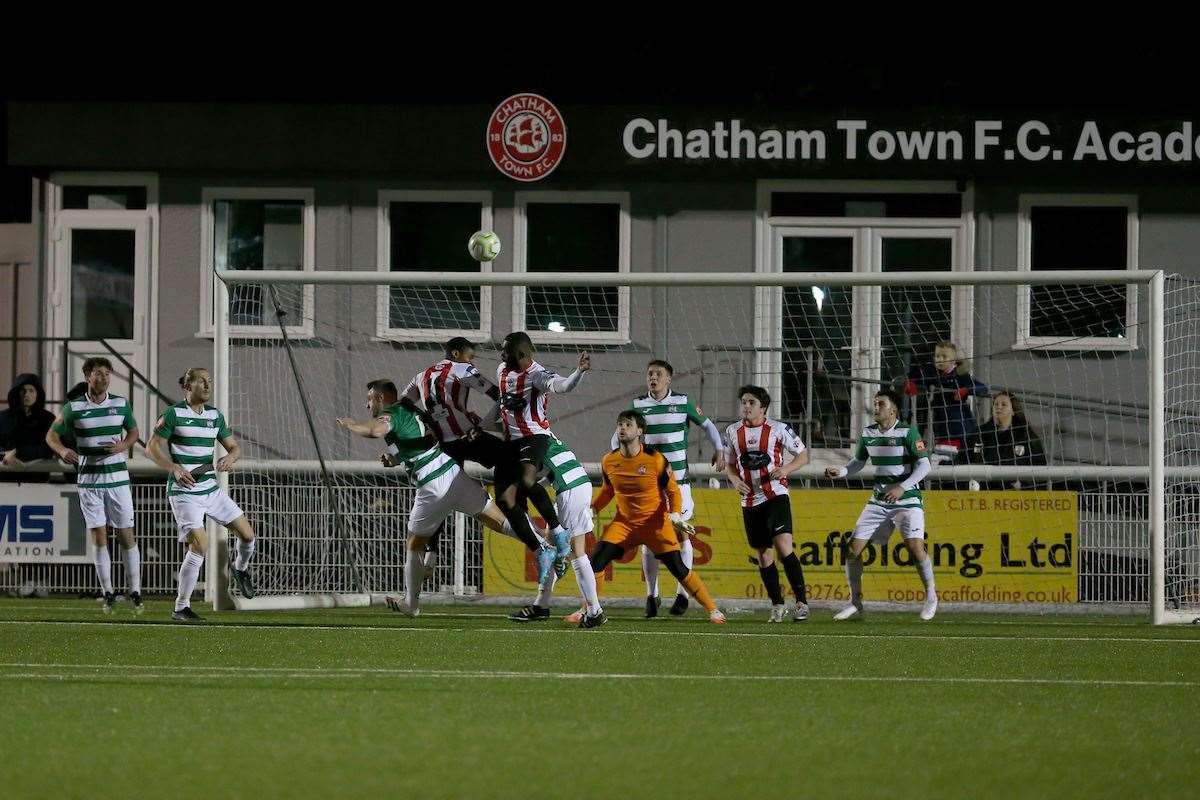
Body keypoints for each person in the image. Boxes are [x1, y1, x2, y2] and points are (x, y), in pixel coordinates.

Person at [337, 379, 522, 616]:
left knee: (414, 544)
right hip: (452, 471)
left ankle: (411, 604)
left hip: (432, 485)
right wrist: (396, 458)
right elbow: (423, 442)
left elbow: (375, 430)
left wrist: (351, 425)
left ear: (381, 398)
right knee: (498, 520)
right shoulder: (412, 411)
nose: (367, 405)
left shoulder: (391, 413)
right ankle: (545, 543)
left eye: (370, 399)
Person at [588, 410, 726, 628]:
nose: (622, 428)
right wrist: (592, 508)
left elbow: (673, 491)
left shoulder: (655, 460)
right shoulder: (608, 460)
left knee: (678, 568)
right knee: (595, 561)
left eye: (628, 424)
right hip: (624, 525)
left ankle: (713, 609)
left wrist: (675, 514)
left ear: (640, 431)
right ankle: (589, 610)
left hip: (656, 525)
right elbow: (607, 491)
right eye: (620, 424)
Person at [613, 359, 725, 618]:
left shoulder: (683, 402)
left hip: (679, 485)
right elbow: (619, 433)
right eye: (650, 373)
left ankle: (682, 594)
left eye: (658, 374)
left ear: (668, 379)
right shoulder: (638, 405)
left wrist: (719, 449)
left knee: (682, 535)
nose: (653, 377)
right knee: (648, 541)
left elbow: (707, 425)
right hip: (648, 486)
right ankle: (652, 596)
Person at [148, 367, 258, 622]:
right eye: (202, 381)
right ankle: (181, 607)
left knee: (248, 535)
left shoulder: (214, 416)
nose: (208, 385)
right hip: (185, 492)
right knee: (200, 546)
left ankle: (240, 570)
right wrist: (173, 467)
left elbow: (234, 447)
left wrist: (231, 457)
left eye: (210, 381)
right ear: (187, 386)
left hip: (211, 489)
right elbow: (151, 448)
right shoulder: (173, 414)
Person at [824, 389, 938, 621]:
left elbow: (925, 466)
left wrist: (902, 487)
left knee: (916, 548)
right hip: (878, 501)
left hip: (908, 500)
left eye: (881, 404)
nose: (876, 408)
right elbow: (858, 462)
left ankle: (931, 596)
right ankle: (855, 603)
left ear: (893, 409)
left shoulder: (908, 431)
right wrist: (842, 471)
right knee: (852, 550)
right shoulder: (868, 433)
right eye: (875, 404)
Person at [45, 359, 143, 614]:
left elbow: (133, 432)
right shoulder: (74, 407)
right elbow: (51, 436)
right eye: (99, 374)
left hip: (118, 480)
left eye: (108, 374)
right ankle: (108, 592)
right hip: (89, 481)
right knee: (99, 537)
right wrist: (63, 449)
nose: (105, 378)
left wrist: (124, 445)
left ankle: (135, 591)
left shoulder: (120, 403)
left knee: (125, 534)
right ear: (88, 376)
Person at [494, 331, 590, 580]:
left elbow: (562, 386)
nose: (502, 355)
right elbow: (501, 404)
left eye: (506, 351)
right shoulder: (501, 371)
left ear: (522, 353)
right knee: (505, 500)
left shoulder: (537, 374)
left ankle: (558, 531)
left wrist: (578, 372)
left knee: (527, 480)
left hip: (535, 438)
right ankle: (541, 551)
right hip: (511, 443)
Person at [723, 385, 811, 622]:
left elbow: (803, 455)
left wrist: (786, 469)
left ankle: (801, 602)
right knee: (764, 555)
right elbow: (730, 463)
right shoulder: (732, 431)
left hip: (775, 495)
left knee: (784, 547)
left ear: (763, 408)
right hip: (749, 500)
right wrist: (733, 480)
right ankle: (777, 605)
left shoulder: (779, 429)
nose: (746, 406)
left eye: (751, 402)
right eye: (744, 402)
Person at [508, 435, 603, 624]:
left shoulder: (529, 439)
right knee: (561, 547)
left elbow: (530, 478)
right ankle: (544, 605)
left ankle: (592, 611)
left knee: (569, 551)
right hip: (579, 483)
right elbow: (547, 473)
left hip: (569, 488)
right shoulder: (543, 436)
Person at [903, 341, 986, 465]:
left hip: (960, 426)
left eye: (944, 356)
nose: (940, 360)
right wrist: (910, 382)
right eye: (937, 356)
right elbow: (912, 376)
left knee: (957, 459)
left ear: (953, 360)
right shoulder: (931, 373)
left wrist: (966, 390)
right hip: (938, 426)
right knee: (935, 456)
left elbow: (982, 388)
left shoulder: (961, 375)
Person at [972, 390, 1047, 489]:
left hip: (1015, 497)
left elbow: (1040, 471)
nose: (999, 407)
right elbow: (964, 459)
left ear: (1013, 411)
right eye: (996, 404)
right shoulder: (979, 433)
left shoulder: (1026, 437)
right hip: (983, 493)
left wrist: (1022, 485)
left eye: (1004, 404)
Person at [0, 373, 56, 479]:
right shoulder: (2, 418)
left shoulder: (48, 419)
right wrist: (4, 455)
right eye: (23, 390)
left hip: (37, 477)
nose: (26, 394)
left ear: (37, 394)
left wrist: (18, 452)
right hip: (5, 477)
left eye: (31, 390)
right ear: (16, 393)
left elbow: (49, 448)